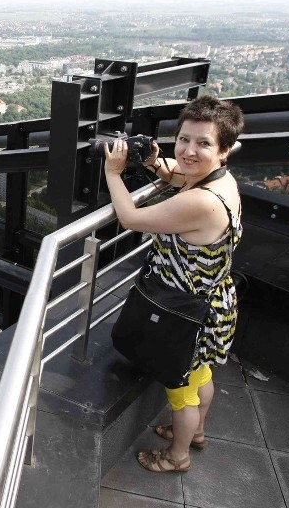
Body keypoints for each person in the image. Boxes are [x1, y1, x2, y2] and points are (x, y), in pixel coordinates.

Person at [103, 94, 244, 473]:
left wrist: (114, 174)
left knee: (181, 393)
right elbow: (178, 173)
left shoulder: (202, 202)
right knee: (201, 376)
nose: (189, 151)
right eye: (184, 139)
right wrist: (153, 163)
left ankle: (177, 456)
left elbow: (131, 217)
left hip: (185, 313)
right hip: (211, 304)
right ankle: (196, 434)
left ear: (225, 149)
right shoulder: (222, 181)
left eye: (203, 143)